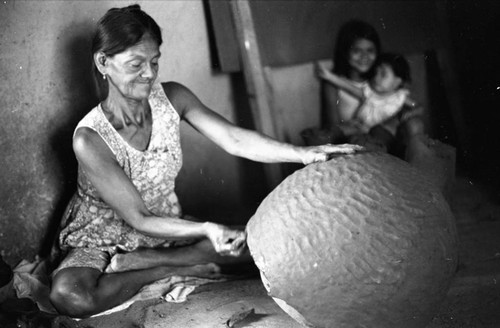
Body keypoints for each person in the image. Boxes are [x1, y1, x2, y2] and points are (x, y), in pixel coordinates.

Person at [49, 5, 363, 318]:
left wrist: (303, 153)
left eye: (154, 62)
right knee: (71, 297)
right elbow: (140, 218)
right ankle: (169, 267)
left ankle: (159, 262)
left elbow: (234, 138)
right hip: (102, 240)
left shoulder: (171, 98)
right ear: (103, 62)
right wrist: (208, 229)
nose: (149, 74)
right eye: (136, 64)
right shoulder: (90, 138)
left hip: (169, 232)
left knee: (278, 248)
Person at [319, 19, 424, 155]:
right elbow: (333, 128)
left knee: (415, 124)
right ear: (345, 52)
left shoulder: (381, 80)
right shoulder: (333, 84)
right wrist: (351, 127)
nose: (364, 57)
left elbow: (404, 106)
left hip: (386, 138)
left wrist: (392, 122)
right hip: (354, 139)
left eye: (370, 50)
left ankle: (415, 167)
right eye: (357, 50)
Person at [317, 52, 423, 151]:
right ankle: (321, 141)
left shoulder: (400, 97)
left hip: (380, 134)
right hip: (359, 126)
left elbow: (418, 107)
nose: (376, 77)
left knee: (368, 143)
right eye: (376, 73)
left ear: (397, 81)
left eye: (383, 74)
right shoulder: (368, 92)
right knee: (337, 133)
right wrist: (329, 76)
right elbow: (348, 86)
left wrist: (411, 113)